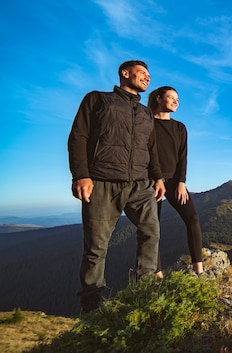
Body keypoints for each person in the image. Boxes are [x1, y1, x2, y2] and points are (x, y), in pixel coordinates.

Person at [68, 60, 166, 313]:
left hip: (140, 185)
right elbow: (78, 136)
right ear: (125, 73)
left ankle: (144, 292)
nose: (147, 77)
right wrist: (81, 175)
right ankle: (91, 308)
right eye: (142, 72)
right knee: (96, 247)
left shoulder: (145, 113)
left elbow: (151, 148)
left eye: (149, 74)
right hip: (102, 182)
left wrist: (158, 177)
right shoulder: (97, 100)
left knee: (151, 232)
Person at [148, 86, 205, 277]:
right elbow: (149, 153)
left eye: (177, 99)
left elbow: (183, 157)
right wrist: (157, 178)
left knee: (192, 218)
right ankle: (157, 275)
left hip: (174, 181)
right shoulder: (147, 123)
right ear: (158, 98)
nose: (175, 102)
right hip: (150, 181)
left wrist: (181, 182)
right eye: (171, 97)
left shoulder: (180, 127)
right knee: (152, 227)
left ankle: (199, 270)